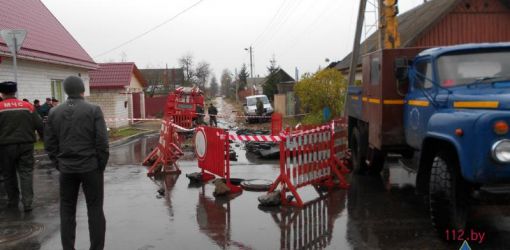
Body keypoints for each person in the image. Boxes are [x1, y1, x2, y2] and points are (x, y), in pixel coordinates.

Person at [45, 76, 109, 250]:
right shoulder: (94, 110)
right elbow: (102, 142)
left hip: (66, 168)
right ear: (82, 90)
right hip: (90, 167)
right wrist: (100, 165)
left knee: (66, 210)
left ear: (65, 90)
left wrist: (59, 163)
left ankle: (68, 248)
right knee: (95, 209)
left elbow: (50, 144)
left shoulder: (54, 112)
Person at [0, 81, 43, 212]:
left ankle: (13, 201)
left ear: (2, 93)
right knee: (26, 173)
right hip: (26, 145)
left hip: (5, 147)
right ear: (15, 91)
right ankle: (28, 203)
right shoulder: (28, 106)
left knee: (8, 174)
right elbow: (39, 125)